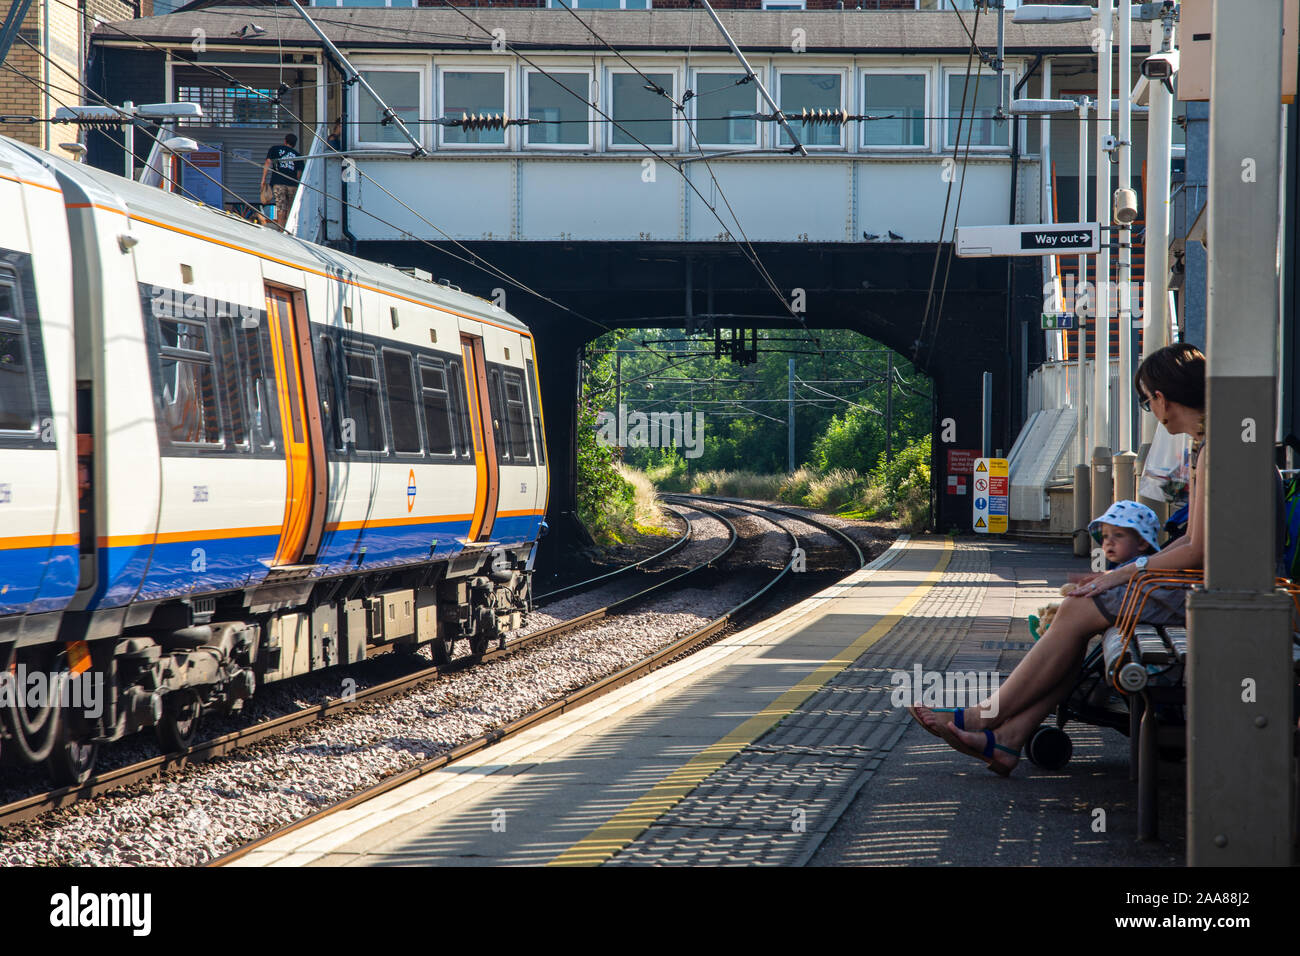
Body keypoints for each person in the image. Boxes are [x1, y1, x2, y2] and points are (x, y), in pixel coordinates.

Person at [911, 343, 1207, 775]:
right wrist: (1119, 577)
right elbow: (1195, 546)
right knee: (1076, 626)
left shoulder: (1214, 450)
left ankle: (986, 718)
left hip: (1212, 592)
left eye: (1146, 400)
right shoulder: (1211, 446)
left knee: (1073, 612)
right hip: (1206, 584)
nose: (1149, 410)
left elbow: (1196, 548)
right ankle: (1006, 742)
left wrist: (1120, 575)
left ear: (1162, 398)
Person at [1029, 500, 1161, 639]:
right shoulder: (1129, 565)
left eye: (1118, 535)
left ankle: (1052, 636)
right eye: (1105, 536)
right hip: (1130, 611)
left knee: (1076, 606)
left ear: (1141, 542)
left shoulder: (1141, 565)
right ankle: (1052, 633)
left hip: (1135, 611)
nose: (1109, 541)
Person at [261, 132, 301, 231]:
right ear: (295, 144)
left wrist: (263, 180)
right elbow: (298, 174)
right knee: (290, 209)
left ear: (285, 141)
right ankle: (289, 229)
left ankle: (281, 229)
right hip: (293, 184)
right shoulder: (298, 155)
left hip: (278, 183)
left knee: (281, 207)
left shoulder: (275, 149)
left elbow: (268, 163)